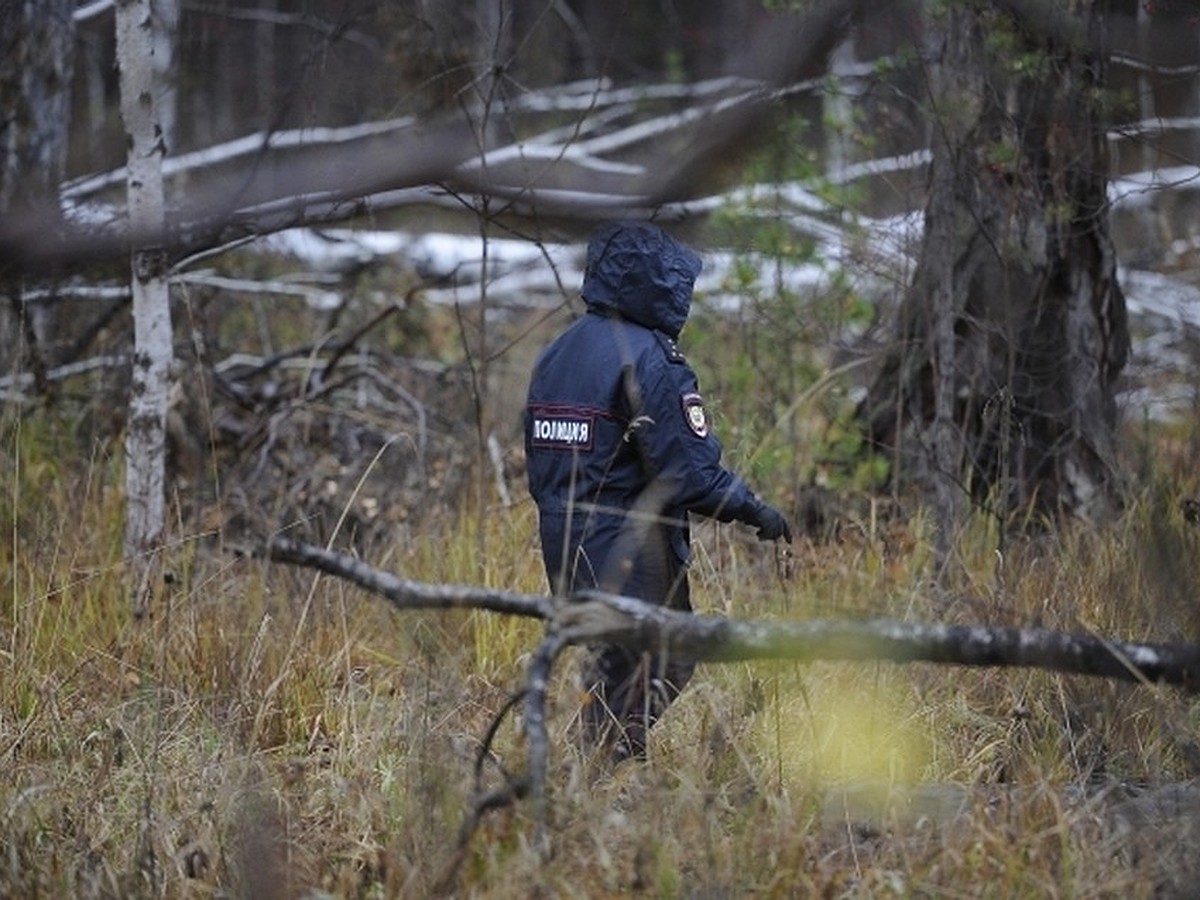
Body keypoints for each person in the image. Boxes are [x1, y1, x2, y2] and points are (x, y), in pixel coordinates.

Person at [524, 220, 792, 761]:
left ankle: (593, 779)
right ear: (661, 281)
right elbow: (689, 473)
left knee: (615, 663)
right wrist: (755, 509)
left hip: (561, 539)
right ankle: (598, 774)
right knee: (665, 655)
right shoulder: (650, 358)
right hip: (629, 544)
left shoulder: (557, 353)